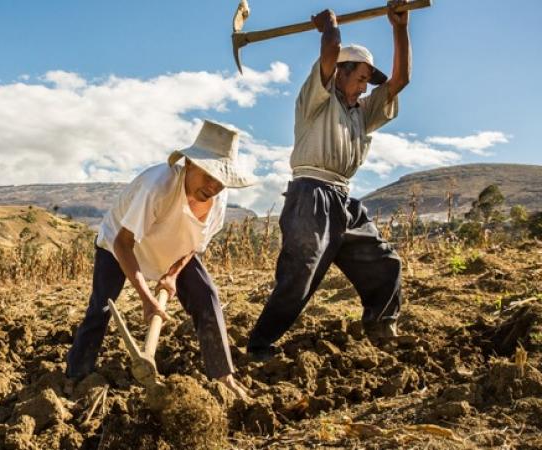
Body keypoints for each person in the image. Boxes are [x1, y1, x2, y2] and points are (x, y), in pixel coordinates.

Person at [247, 0, 412, 360]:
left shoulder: (361, 113)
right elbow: (332, 49)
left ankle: (382, 327)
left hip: (343, 200)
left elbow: (400, 81)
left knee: (385, 262)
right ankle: (259, 345)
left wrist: (399, 28)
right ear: (340, 73)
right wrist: (329, 27)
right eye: (361, 78)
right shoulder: (316, 100)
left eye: (368, 81)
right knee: (301, 272)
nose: (366, 89)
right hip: (311, 194)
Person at [66, 120, 253, 396]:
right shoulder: (158, 186)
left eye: (221, 180)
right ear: (189, 164)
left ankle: (223, 377)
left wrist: (172, 275)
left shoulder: (218, 201)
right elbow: (123, 243)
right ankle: (75, 377)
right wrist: (147, 299)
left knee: (207, 295)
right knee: (101, 308)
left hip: (170, 250)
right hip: (119, 244)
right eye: (208, 174)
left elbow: (194, 245)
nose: (214, 185)